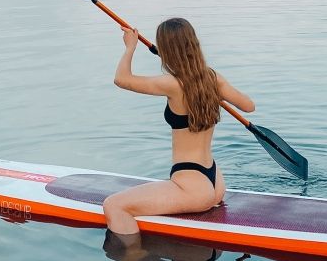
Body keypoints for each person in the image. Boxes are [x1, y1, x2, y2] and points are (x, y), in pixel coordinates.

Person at [103, 17, 255, 235]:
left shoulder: (172, 84)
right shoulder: (213, 78)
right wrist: (214, 92)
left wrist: (130, 47)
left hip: (192, 186)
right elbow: (248, 106)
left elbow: (121, 79)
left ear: (166, 50)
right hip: (216, 183)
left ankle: (135, 256)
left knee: (114, 205)